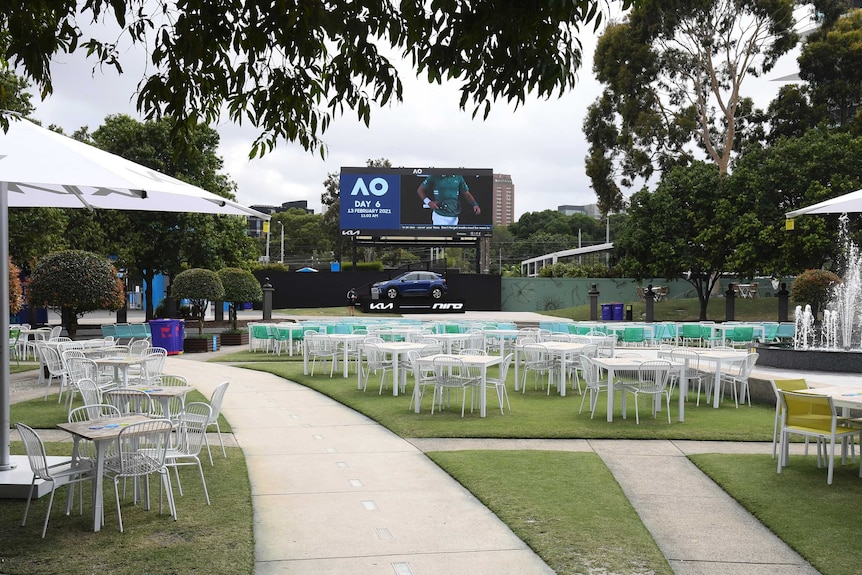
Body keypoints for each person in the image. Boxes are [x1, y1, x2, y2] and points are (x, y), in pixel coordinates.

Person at [416, 173, 481, 225]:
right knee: (440, 239)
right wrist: (429, 202)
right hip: (439, 216)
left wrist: (475, 204)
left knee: (454, 239)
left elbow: (466, 193)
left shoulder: (458, 177)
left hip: (454, 216)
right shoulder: (434, 176)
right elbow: (420, 190)